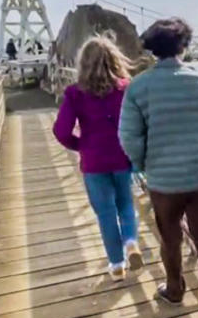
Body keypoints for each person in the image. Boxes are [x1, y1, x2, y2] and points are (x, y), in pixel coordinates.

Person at [119, 17, 198, 318]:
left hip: (163, 181)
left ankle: (175, 288)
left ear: (153, 50)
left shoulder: (138, 87)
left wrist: (144, 164)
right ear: (184, 46)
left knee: (170, 238)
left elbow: (128, 137)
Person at [53, 36, 141, 280]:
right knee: (126, 205)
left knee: (105, 213)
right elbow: (138, 123)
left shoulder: (74, 94)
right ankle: (131, 242)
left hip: (94, 162)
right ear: (115, 61)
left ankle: (116, 266)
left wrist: (80, 145)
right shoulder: (126, 89)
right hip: (122, 157)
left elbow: (61, 131)